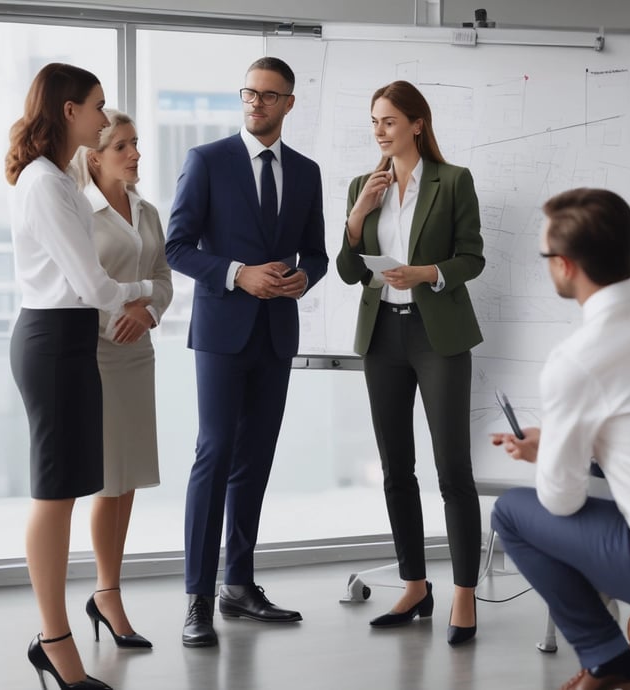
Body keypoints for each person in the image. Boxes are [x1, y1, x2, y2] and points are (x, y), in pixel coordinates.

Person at [490, 188, 630, 690]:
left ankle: (610, 661)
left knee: (511, 513)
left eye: (547, 256)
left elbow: (561, 502)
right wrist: (567, 442)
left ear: (565, 265)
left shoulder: (577, 358)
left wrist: (548, 454)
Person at [166, 56, 328, 648]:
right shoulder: (207, 161)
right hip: (221, 333)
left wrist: (301, 276)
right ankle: (198, 600)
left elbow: (318, 251)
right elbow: (176, 246)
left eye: (268, 95)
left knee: (255, 460)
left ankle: (239, 584)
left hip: (276, 334)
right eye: (249, 93)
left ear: (288, 102)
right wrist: (237, 273)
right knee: (214, 455)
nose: (255, 103)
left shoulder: (307, 172)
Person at [6, 64, 154, 689]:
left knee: (63, 492)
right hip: (53, 342)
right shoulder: (46, 183)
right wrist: (150, 291)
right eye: (97, 106)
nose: (103, 115)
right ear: (70, 112)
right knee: (53, 496)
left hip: (64, 342)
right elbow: (93, 286)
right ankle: (55, 639)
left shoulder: (57, 181)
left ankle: (56, 637)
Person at [335, 80, 485, 645]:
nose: (380, 130)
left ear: (417, 124)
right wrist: (357, 216)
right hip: (383, 338)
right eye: (375, 121)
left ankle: (465, 595)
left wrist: (427, 274)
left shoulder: (453, 182)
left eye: (390, 120)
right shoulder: (362, 185)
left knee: (452, 471)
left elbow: (473, 256)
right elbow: (351, 273)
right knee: (397, 469)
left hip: (436, 333)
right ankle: (415, 585)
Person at [71, 109, 173, 649]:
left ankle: (109, 589)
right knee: (107, 479)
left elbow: (162, 278)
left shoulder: (147, 211)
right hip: (97, 353)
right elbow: (80, 282)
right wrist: (122, 313)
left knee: (128, 476)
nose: (135, 155)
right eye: (123, 147)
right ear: (95, 156)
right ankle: (106, 593)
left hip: (140, 352)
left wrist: (147, 313)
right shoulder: (80, 212)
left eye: (136, 145)